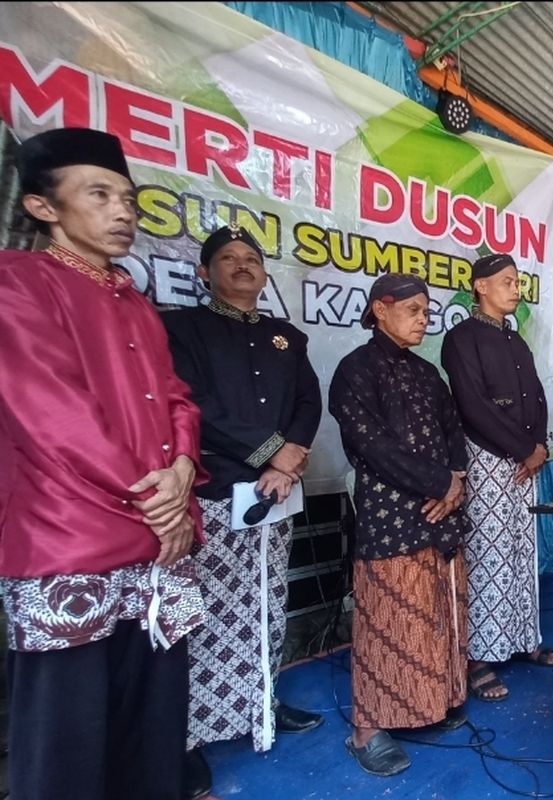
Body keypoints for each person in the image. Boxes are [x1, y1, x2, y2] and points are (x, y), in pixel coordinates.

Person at [0, 127, 206, 799]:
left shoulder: (134, 300)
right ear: (43, 207)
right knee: (68, 735)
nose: (123, 211)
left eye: (128, 197)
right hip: (71, 540)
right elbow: (51, 410)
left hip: (156, 540)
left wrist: (180, 472)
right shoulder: (18, 282)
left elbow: (176, 398)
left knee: (152, 720)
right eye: (100, 194)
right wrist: (159, 499)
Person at [160, 224, 324, 797]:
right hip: (213, 489)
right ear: (204, 273)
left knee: (266, 600)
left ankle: (262, 704)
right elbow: (191, 404)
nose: (242, 265)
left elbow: (308, 399)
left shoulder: (286, 337)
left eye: (251, 258)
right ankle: (191, 736)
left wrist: (288, 459)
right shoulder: (182, 327)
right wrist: (268, 451)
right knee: (205, 614)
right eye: (227, 258)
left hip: (276, 491)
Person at [329, 273, 470, 777]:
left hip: (440, 513)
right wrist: (439, 482)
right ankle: (367, 729)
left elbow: (454, 432)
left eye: (427, 312)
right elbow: (371, 445)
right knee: (388, 620)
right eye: (413, 310)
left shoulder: (428, 374)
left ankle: (430, 703)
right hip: (391, 515)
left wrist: (454, 481)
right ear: (379, 309)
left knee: (435, 614)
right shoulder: (354, 371)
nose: (423, 319)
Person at [441, 253, 553, 704]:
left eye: (518, 282)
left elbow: (538, 396)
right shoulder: (461, 338)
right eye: (507, 282)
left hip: (525, 461)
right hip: (488, 457)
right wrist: (522, 448)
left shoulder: (515, 340)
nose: (516, 289)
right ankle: (481, 658)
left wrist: (540, 446)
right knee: (489, 552)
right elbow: (472, 405)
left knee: (521, 550)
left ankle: (523, 637)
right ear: (480, 286)